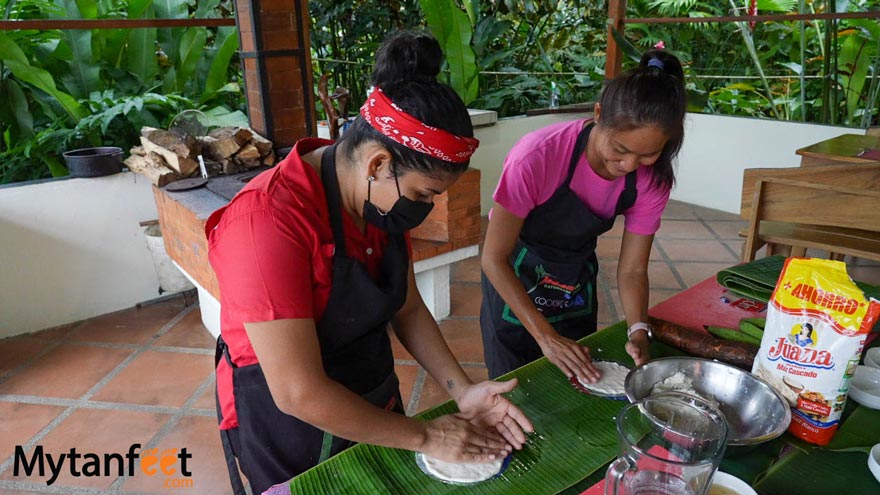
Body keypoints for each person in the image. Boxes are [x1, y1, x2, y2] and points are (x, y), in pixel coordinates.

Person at [207, 32, 533, 495]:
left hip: (366, 380)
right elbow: (297, 391)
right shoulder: (266, 223)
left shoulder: (376, 201)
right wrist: (426, 435)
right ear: (378, 164)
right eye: (424, 195)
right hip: (286, 415)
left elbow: (408, 308)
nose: (424, 209)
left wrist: (463, 392)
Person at [480, 49, 687, 381]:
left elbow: (633, 269)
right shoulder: (536, 157)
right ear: (597, 113)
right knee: (516, 386)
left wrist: (637, 329)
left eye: (648, 154)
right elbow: (493, 257)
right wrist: (544, 336)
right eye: (620, 149)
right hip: (515, 276)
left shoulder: (653, 181)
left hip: (573, 280)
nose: (630, 166)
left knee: (579, 380)